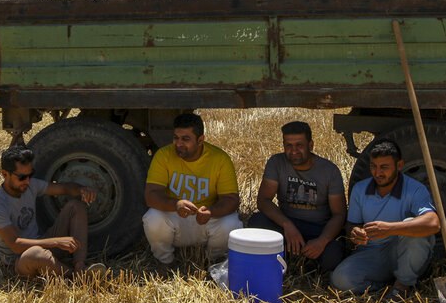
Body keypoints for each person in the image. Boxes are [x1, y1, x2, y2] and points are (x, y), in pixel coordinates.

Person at [329, 140, 440, 300]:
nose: (378, 173)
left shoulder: (415, 189)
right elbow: (352, 224)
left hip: (402, 251)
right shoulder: (360, 189)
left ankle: (403, 284)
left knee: (413, 224)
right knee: (340, 280)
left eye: (384, 167)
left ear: (399, 165)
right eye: (373, 166)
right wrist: (355, 233)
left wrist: (390, 229)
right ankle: (386, 286)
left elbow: (433, 223)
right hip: (372, 253)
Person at [247, 120, 347, 275]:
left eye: (299, 145)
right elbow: (264, 200)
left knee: (333, 254)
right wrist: (287, 225)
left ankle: (303, 260)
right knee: (257, 222)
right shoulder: (276, 162)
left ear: (311, 145)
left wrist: (322, 241)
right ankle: (293, 257)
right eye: (288, 145)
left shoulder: (329, 171)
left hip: (317, 229)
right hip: (287, 225)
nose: (294, 151)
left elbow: (339, 214)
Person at [143, 113, 242, 267]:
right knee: (152, 218)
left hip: (206, 220)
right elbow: (151, 196)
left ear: (200, 140)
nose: (178, 144)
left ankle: (213, 262)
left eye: (185, 139)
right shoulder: (163, 155)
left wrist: (211, 211)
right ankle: (164, 262)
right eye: (176, 137)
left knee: (231, 222)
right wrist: (176, 205)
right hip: (175, 218)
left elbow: (232, 200)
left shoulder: (220, 159)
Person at [0, 145, 98, 278]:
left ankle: (80, 265)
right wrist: (56, 242)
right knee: (36, 255)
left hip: (40, 243)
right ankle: (77, 277)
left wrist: (81, 189)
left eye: (30, 175)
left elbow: (63, 189)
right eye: (22, 177)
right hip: (20, 260)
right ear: (5, 174)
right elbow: (15, 245)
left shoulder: (30, 185)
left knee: (76, 206)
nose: (27, 181)